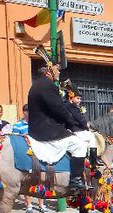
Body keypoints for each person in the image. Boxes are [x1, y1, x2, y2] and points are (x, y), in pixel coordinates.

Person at [27, 63, 86, 192]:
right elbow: (59, 110)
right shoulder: (48, 86)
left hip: (37, 129)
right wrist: (72, 123)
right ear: (49, 70)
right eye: (57, 70)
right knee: (80, 144)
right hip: (47, 130)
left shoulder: (36, 85)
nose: (59, 73)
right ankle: (75, 179)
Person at [13, 104, 48, 213]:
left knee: (41, 179)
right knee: (28, 179)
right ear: (25, 112)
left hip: (39, 154)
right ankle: (28, 204)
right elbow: (14, 140)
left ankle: (42, 204)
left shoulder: (38, 124)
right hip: (25, 155)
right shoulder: (18, 125)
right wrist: (24, 136)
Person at [63, 87, 98, 169]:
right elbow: (79, 118)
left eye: (80, 99)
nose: (80, 100)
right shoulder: (70, 106)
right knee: (91, 136)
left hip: (74, 129)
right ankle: (93, 161)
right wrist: (86, 124)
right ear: (71, 98)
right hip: (75, 130)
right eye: (78, 98)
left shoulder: (68, 106)